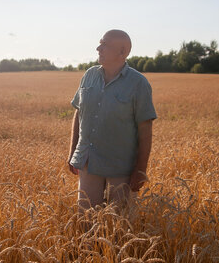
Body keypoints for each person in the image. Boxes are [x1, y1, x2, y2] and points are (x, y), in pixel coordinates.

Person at [67, 29, 157, 210]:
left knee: (118, 225)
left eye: (105, 44)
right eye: (100, 43)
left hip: (121, 167)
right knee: (86, 218)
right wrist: (72, 153)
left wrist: (140, 171)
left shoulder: (138, 83)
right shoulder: (89, 75)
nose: (98, 48)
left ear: (122, 52)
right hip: (87, 161)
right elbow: (79, 113)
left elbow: (145, 128)